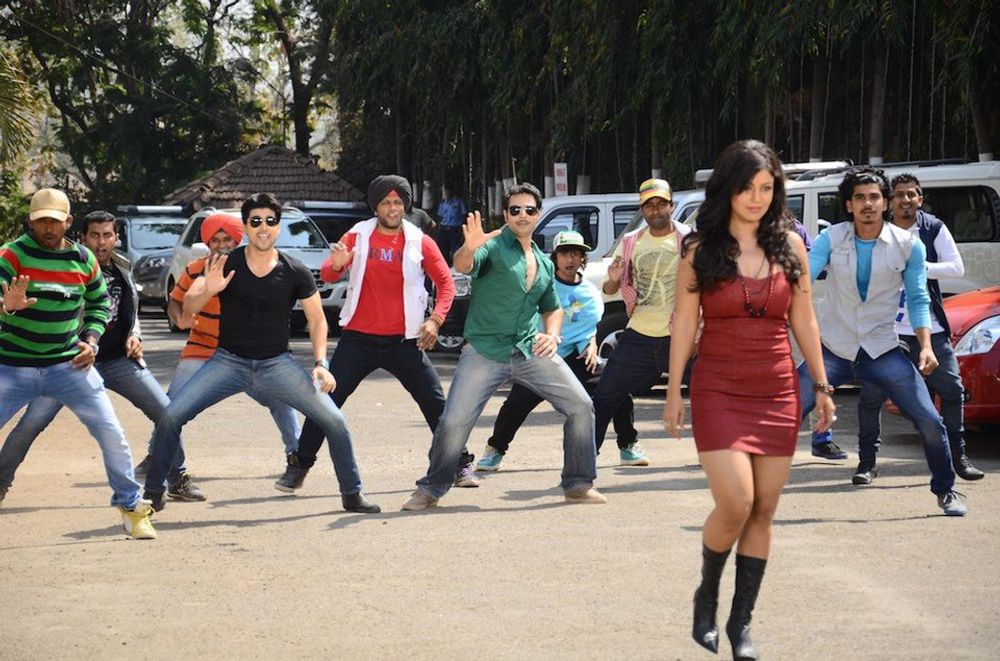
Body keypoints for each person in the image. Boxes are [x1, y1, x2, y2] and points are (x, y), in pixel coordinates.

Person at [664, 141, 835, 660]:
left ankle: (741, 622)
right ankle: (706, 595)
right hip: (718, 387)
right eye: (747, 188)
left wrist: (822, 386)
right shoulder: (699, 250)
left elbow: (804, 319)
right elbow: (684, 324)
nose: (757, 198)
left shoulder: (792, 246)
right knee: (736, 501)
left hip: (777, 388)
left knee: (763, 509)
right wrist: (674, 390)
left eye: (766, 188)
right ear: (727, 189)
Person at [141, 192, 379, 514]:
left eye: (270, 221)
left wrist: (321, 363)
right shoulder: (226, 263)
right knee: (171, 416)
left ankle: (352, 493)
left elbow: (317, 320)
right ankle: (154, 494)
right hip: (228, 362)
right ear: (246, 227)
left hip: (276, 364)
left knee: (334, 419)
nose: (263, 227)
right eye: (256, 221)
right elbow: (189, 306)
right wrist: (210, 288)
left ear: (278, 227)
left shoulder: (294, 270)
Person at [402, 183, 604, 510]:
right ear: (506, 214)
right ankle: (431, 488)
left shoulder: (544, 262)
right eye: (515, 210)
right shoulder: (493, 247)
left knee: (581, 406)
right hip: (484, 351)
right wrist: (469, 247)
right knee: (453, 422)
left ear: (538, 214)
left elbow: (552, 308)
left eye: (529, 210)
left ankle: (579, 484)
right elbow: (464, 265)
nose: (522, 215)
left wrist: (553, 336)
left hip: (528, 349)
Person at [275, 175, 478, 491]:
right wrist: (337, 264)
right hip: (358, 340)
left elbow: (446, 284)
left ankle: (459, 464)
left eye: (398, 202)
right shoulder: (357, 235)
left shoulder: (420, 240)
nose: (392, 208)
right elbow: (328, 273)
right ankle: (299, 466)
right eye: (385, 203)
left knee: (436, 405)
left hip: (405, 341)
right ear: (376, 207)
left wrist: (435, 320)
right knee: (326, 402)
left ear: (406, 206)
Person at [797, 166, 967, 516]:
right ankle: (752, 488)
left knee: (929, 419)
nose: (868, 204)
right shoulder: (832, 239)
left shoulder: (908, 245)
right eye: (859, 198)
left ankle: (946, 490)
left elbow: (918, 298)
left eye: (874, 197)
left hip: (882, 349)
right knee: (785, 413)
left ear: (885, 202)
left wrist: (925, 346)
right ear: (848, 205)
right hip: (834, 349)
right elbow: (803, 280)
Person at [1, 210, 205, 503]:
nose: (101, 242)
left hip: (118, 359)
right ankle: (2, 482)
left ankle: (177, 478)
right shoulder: (69, 263)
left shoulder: (123, 266)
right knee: (31, 423)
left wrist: (135, 335)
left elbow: (128, 308)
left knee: (166, 412)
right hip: (71, 363)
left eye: (107, 235)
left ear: (116, 238)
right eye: (94, 235)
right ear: (83, 237)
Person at [0, 190, 155, 539]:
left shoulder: (82, 259)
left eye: (55, 221)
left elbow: (100, 304)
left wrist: (91, 340)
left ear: (68, 222)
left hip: (67, 367)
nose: (48, 227)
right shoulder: (11, 255)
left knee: (111, 432)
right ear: (30, 221)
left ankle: (132, 508)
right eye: (41, 220)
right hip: (12, 367)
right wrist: (7, 305)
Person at [132, 213, 302, 485]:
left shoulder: (256, 271)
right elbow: (175, 300)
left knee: (281, 400)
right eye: (216, 240)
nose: (222, 245)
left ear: (237, 241)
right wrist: (179, 317)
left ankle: (297, 455)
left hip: (247, 353)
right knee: (172, 405)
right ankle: (157, 454)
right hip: (202, 348)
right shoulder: (196, 268)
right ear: (208, 244)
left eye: (227, 240)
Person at [475, 230, 636, 471]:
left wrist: (591, 346)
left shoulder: (590, 292)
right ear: (555, 258)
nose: (570, 259)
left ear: (583, 258)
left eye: (576, 254)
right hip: (541, 357)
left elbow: (589, 328)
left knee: (616, 387)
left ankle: (628, 445)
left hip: (576, 358)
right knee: (516, 405)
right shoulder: (541, 284)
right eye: (564, 254)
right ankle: (495, 449)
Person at [591, 178, 691, 466]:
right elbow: (610, 288)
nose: (655, 210)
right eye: (649, 205)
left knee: (713, 395)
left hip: (679, 335)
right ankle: (583, 464)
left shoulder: (690, 239)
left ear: (671, 205)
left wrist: (700, 331)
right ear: (642, 209)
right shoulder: (631, 241)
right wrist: (612, 281)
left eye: (661, 204)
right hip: (639, 334)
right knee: (604, 397)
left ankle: (719, 457)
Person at [435, 185, 467, 265]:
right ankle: (446, 264)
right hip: (444, 228)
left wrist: (462, 228)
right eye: (446, 191)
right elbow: (440, 217)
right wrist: (438, 228)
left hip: (455, 228)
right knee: (443, 247)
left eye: (448, 190)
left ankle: (457, 264)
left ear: (452, 191)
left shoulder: (458, 202)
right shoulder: (443, 203)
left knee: (455, 248)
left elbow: (464, 215)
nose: (447, 193)